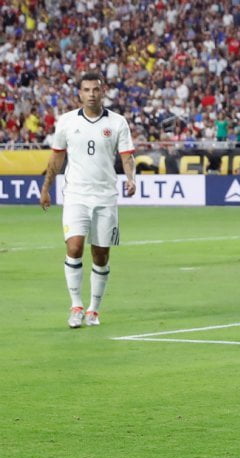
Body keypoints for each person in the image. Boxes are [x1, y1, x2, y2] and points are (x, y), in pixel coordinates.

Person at [39, 72, 136, 329]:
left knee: (101, 254)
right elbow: (57, 158)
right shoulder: (67, 121)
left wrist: (131, 178)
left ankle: (94, 309)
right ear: (79, 93)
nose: (91, 94)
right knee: (74, 247)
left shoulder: (118, 123)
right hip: (76, 195)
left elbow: (127, 156)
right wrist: (46, 187)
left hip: (105, 196)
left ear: (102, 92)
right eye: (86, 89)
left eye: (96, 89)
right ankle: (76, 306)